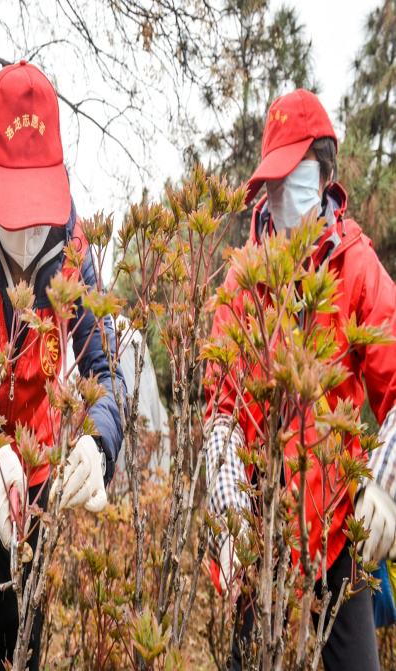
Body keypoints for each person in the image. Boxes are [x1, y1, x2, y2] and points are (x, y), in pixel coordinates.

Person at [0, 60, 125, 670]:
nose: (31, 232)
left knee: (19, 638)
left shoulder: (74, 253)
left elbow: (106, 367)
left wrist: (100, 442)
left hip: (36, 457)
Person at [205, 88, 396, 670]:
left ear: (325, 172)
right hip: (259, 532)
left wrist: (385, 482)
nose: (282, 195)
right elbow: (220, 410)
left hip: (339, 525)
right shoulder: (243, 283)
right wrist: (229, 507)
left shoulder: (356, 266)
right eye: (273, 182)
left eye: (296, 177)